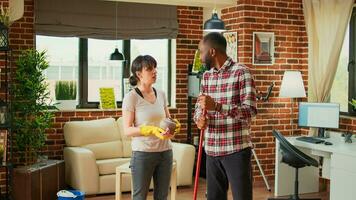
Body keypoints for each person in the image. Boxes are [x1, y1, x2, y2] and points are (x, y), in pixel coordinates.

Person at [194, 32, 257, 200]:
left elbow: (250, 110)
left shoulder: (242, 72)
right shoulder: (206, 77)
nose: (200, 57)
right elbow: (199, 108)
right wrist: (199, 119)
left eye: (201, 52)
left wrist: (217, 107)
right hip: (212, 150)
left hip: (236, 150)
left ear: (212, 52)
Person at [122, 55, 179, 200]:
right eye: (149, 69)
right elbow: (127, 130)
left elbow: (168, 119)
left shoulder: (161, 94)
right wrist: (149, 130)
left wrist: (173, 127)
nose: (154, 71)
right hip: (143, 154)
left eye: (155, 68)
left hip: (165, 152)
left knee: (162, 196)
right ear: (139, 74)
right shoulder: (131, 97)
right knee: (140, 197)